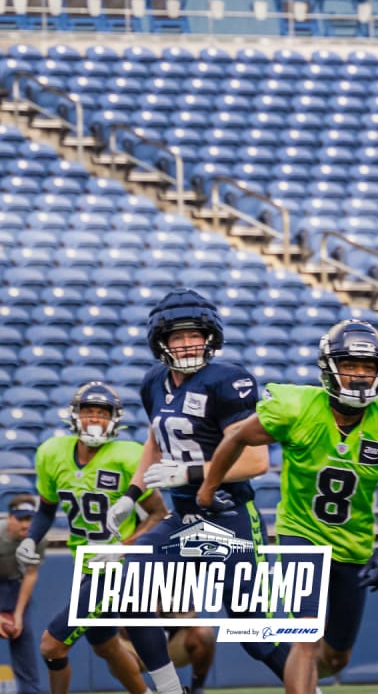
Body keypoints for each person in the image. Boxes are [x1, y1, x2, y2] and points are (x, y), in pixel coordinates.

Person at [197, 319, 378, 694]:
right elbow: (237, 437)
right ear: (330, 368)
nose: (360, 376)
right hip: (301, 532)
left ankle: (307, 682)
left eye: (368, 367)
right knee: (305, 635)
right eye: (351, 365)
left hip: (353, 544)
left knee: (336, 657)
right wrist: (208, 487)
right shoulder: (298, 409)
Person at [103, 289, 282, 694]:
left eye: (194, 335)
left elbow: (256, 463)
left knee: (256, 637)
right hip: (182, 521)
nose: (187, 344)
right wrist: (132, 494)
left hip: (229, 519)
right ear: (160, 342)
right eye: (177, 337)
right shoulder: (153, 383)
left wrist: (188, 473)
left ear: (211, 336)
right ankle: (168, 690)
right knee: (128, 588)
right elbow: (156, 437)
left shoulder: (228, 380)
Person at [19, 383, 167, 694]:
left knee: (52, 646)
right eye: (89, 412)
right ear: (75, 416)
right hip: (85, 566)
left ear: (115, 419)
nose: (95, 419)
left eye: (103, 413)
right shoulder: (51, 453)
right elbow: (46, 510)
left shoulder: (128, 455)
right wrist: (32, 538)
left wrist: (124, 549)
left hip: (116, 569)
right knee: (106, 646)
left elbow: (158, 514)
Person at [0, 496, 43, 694]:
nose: (26, 524)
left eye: (29, 519)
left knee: (22, 633)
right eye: (20, 519)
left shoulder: (37, 537)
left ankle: (30, 691)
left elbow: (31, 574)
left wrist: (17, 614)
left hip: (15, 586)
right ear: (9, 518)